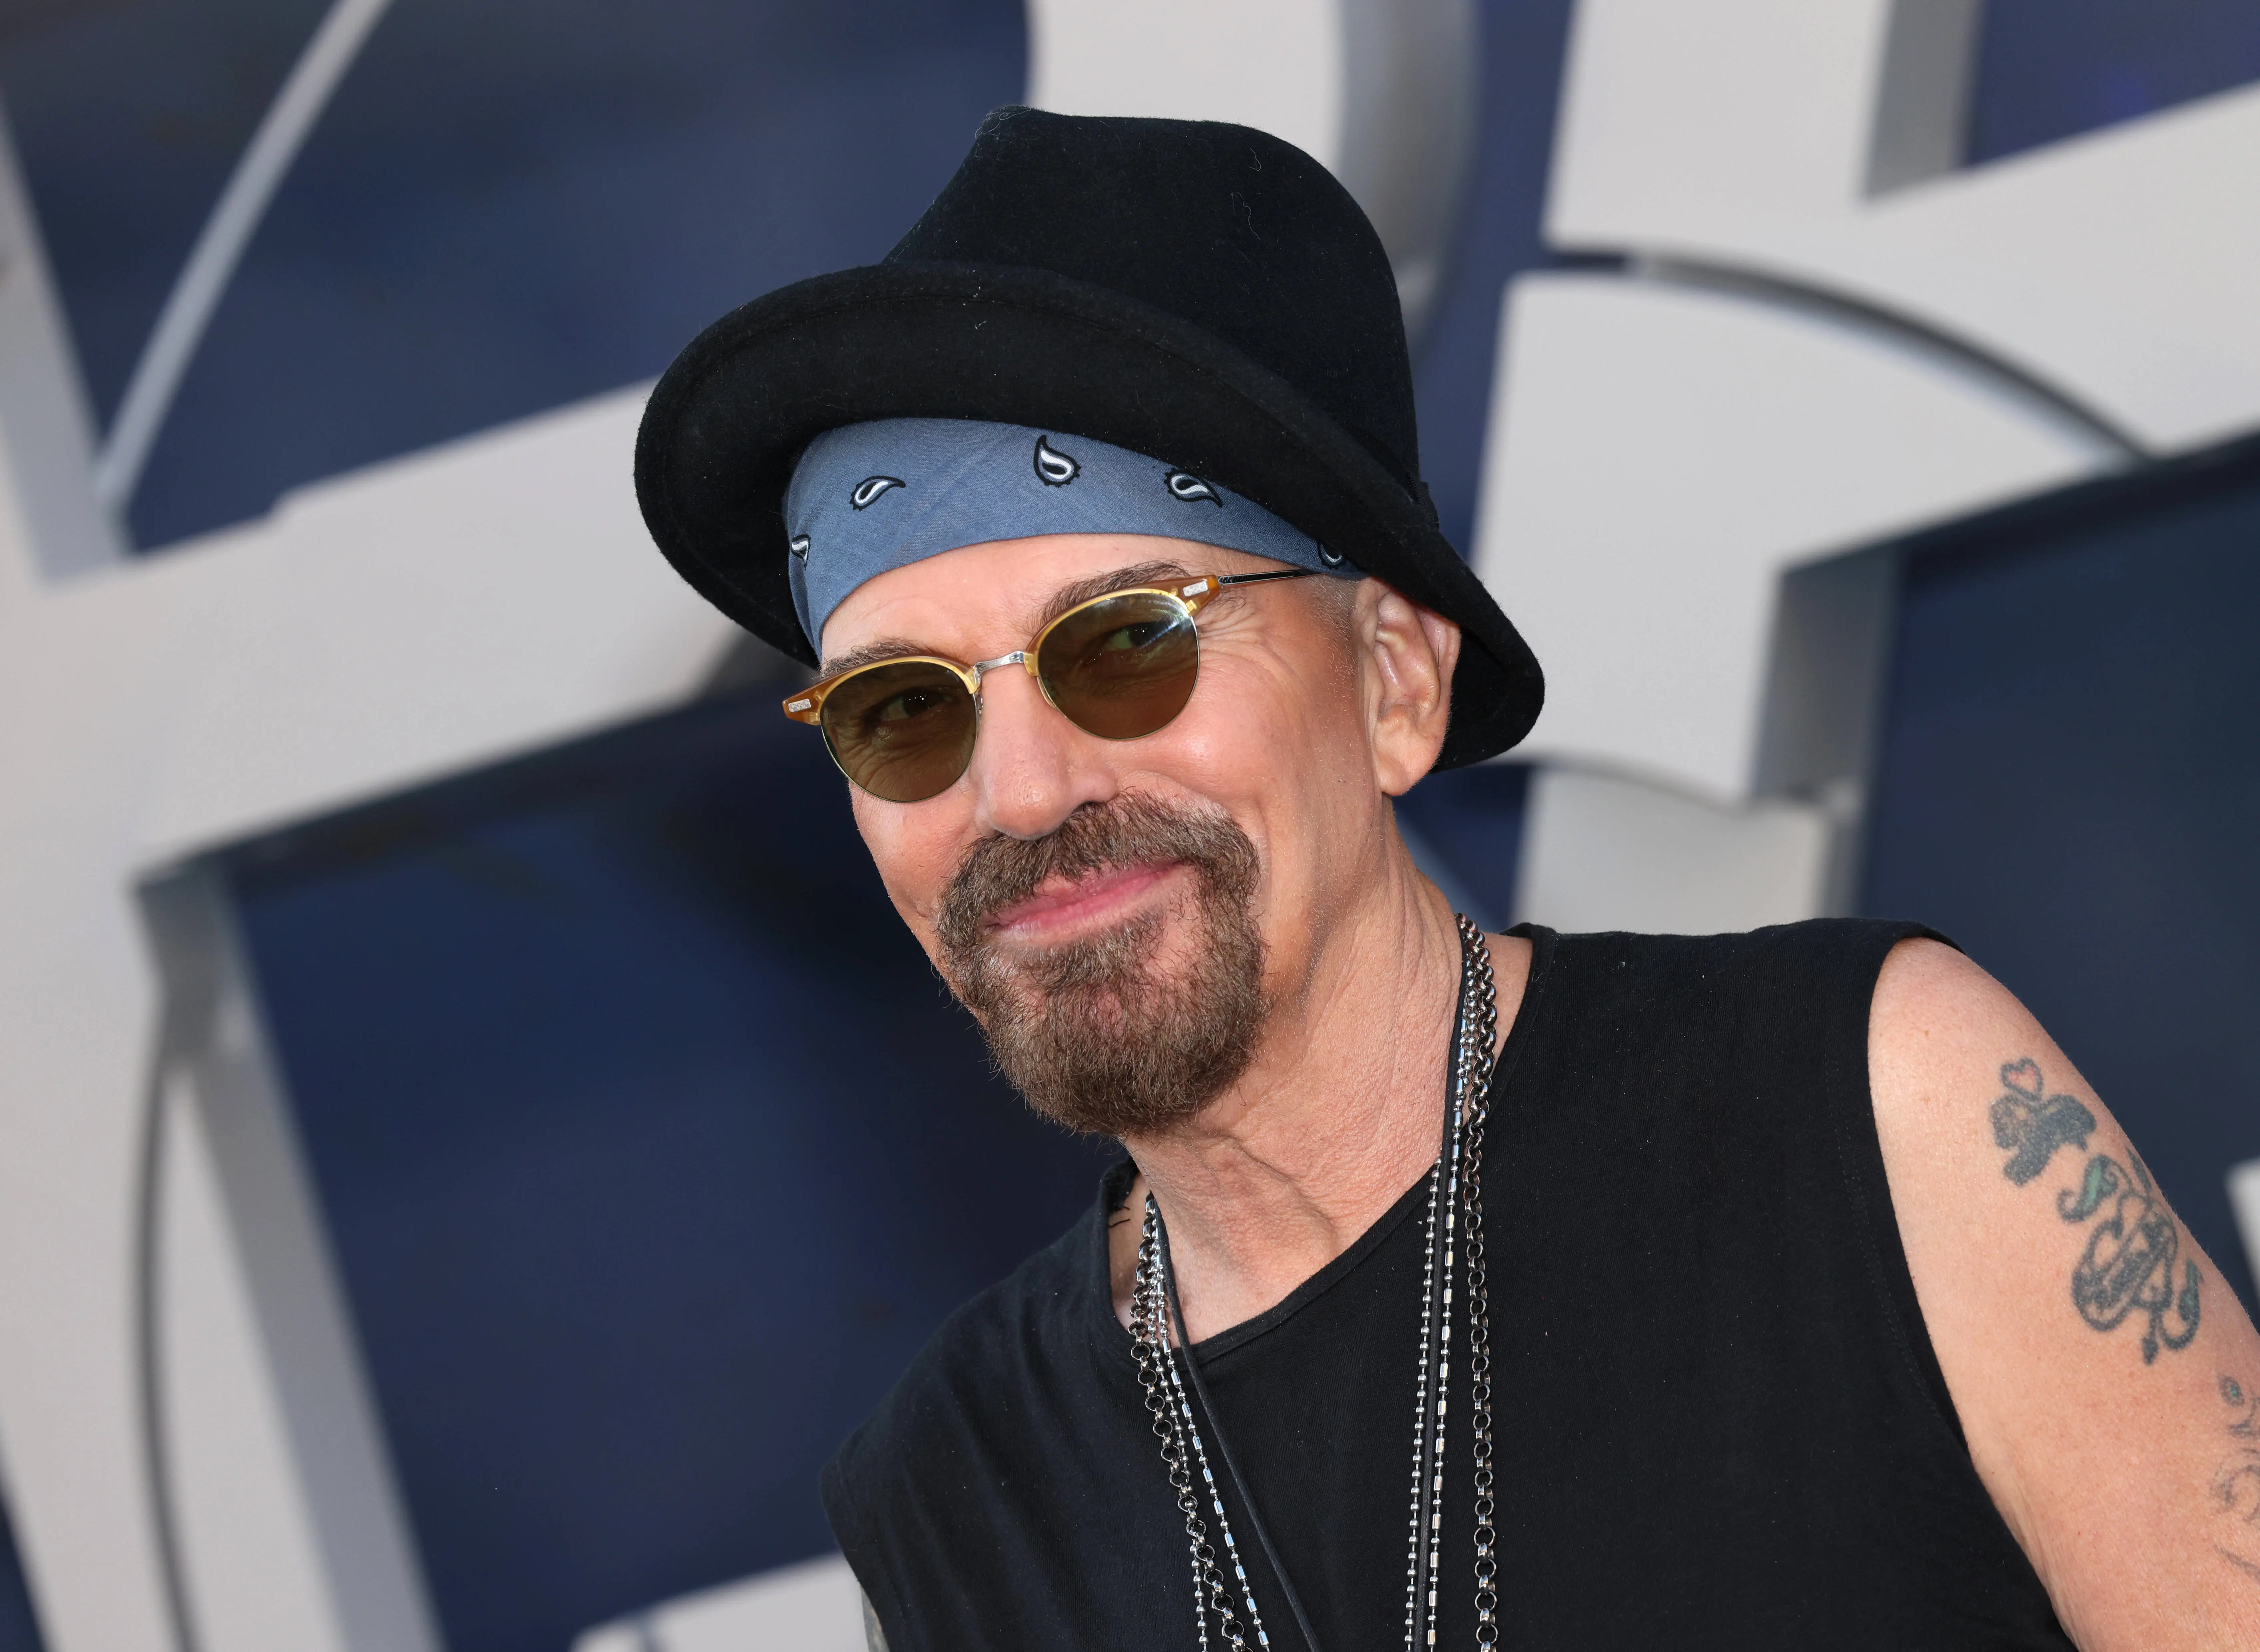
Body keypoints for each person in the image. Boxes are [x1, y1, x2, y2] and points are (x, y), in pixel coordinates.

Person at [635, 107, 2260, 1651]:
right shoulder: (950, 1492)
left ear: (1395, 685)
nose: (1023, 789)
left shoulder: (1862, 1108)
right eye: (902, 709)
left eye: (1127, 644)